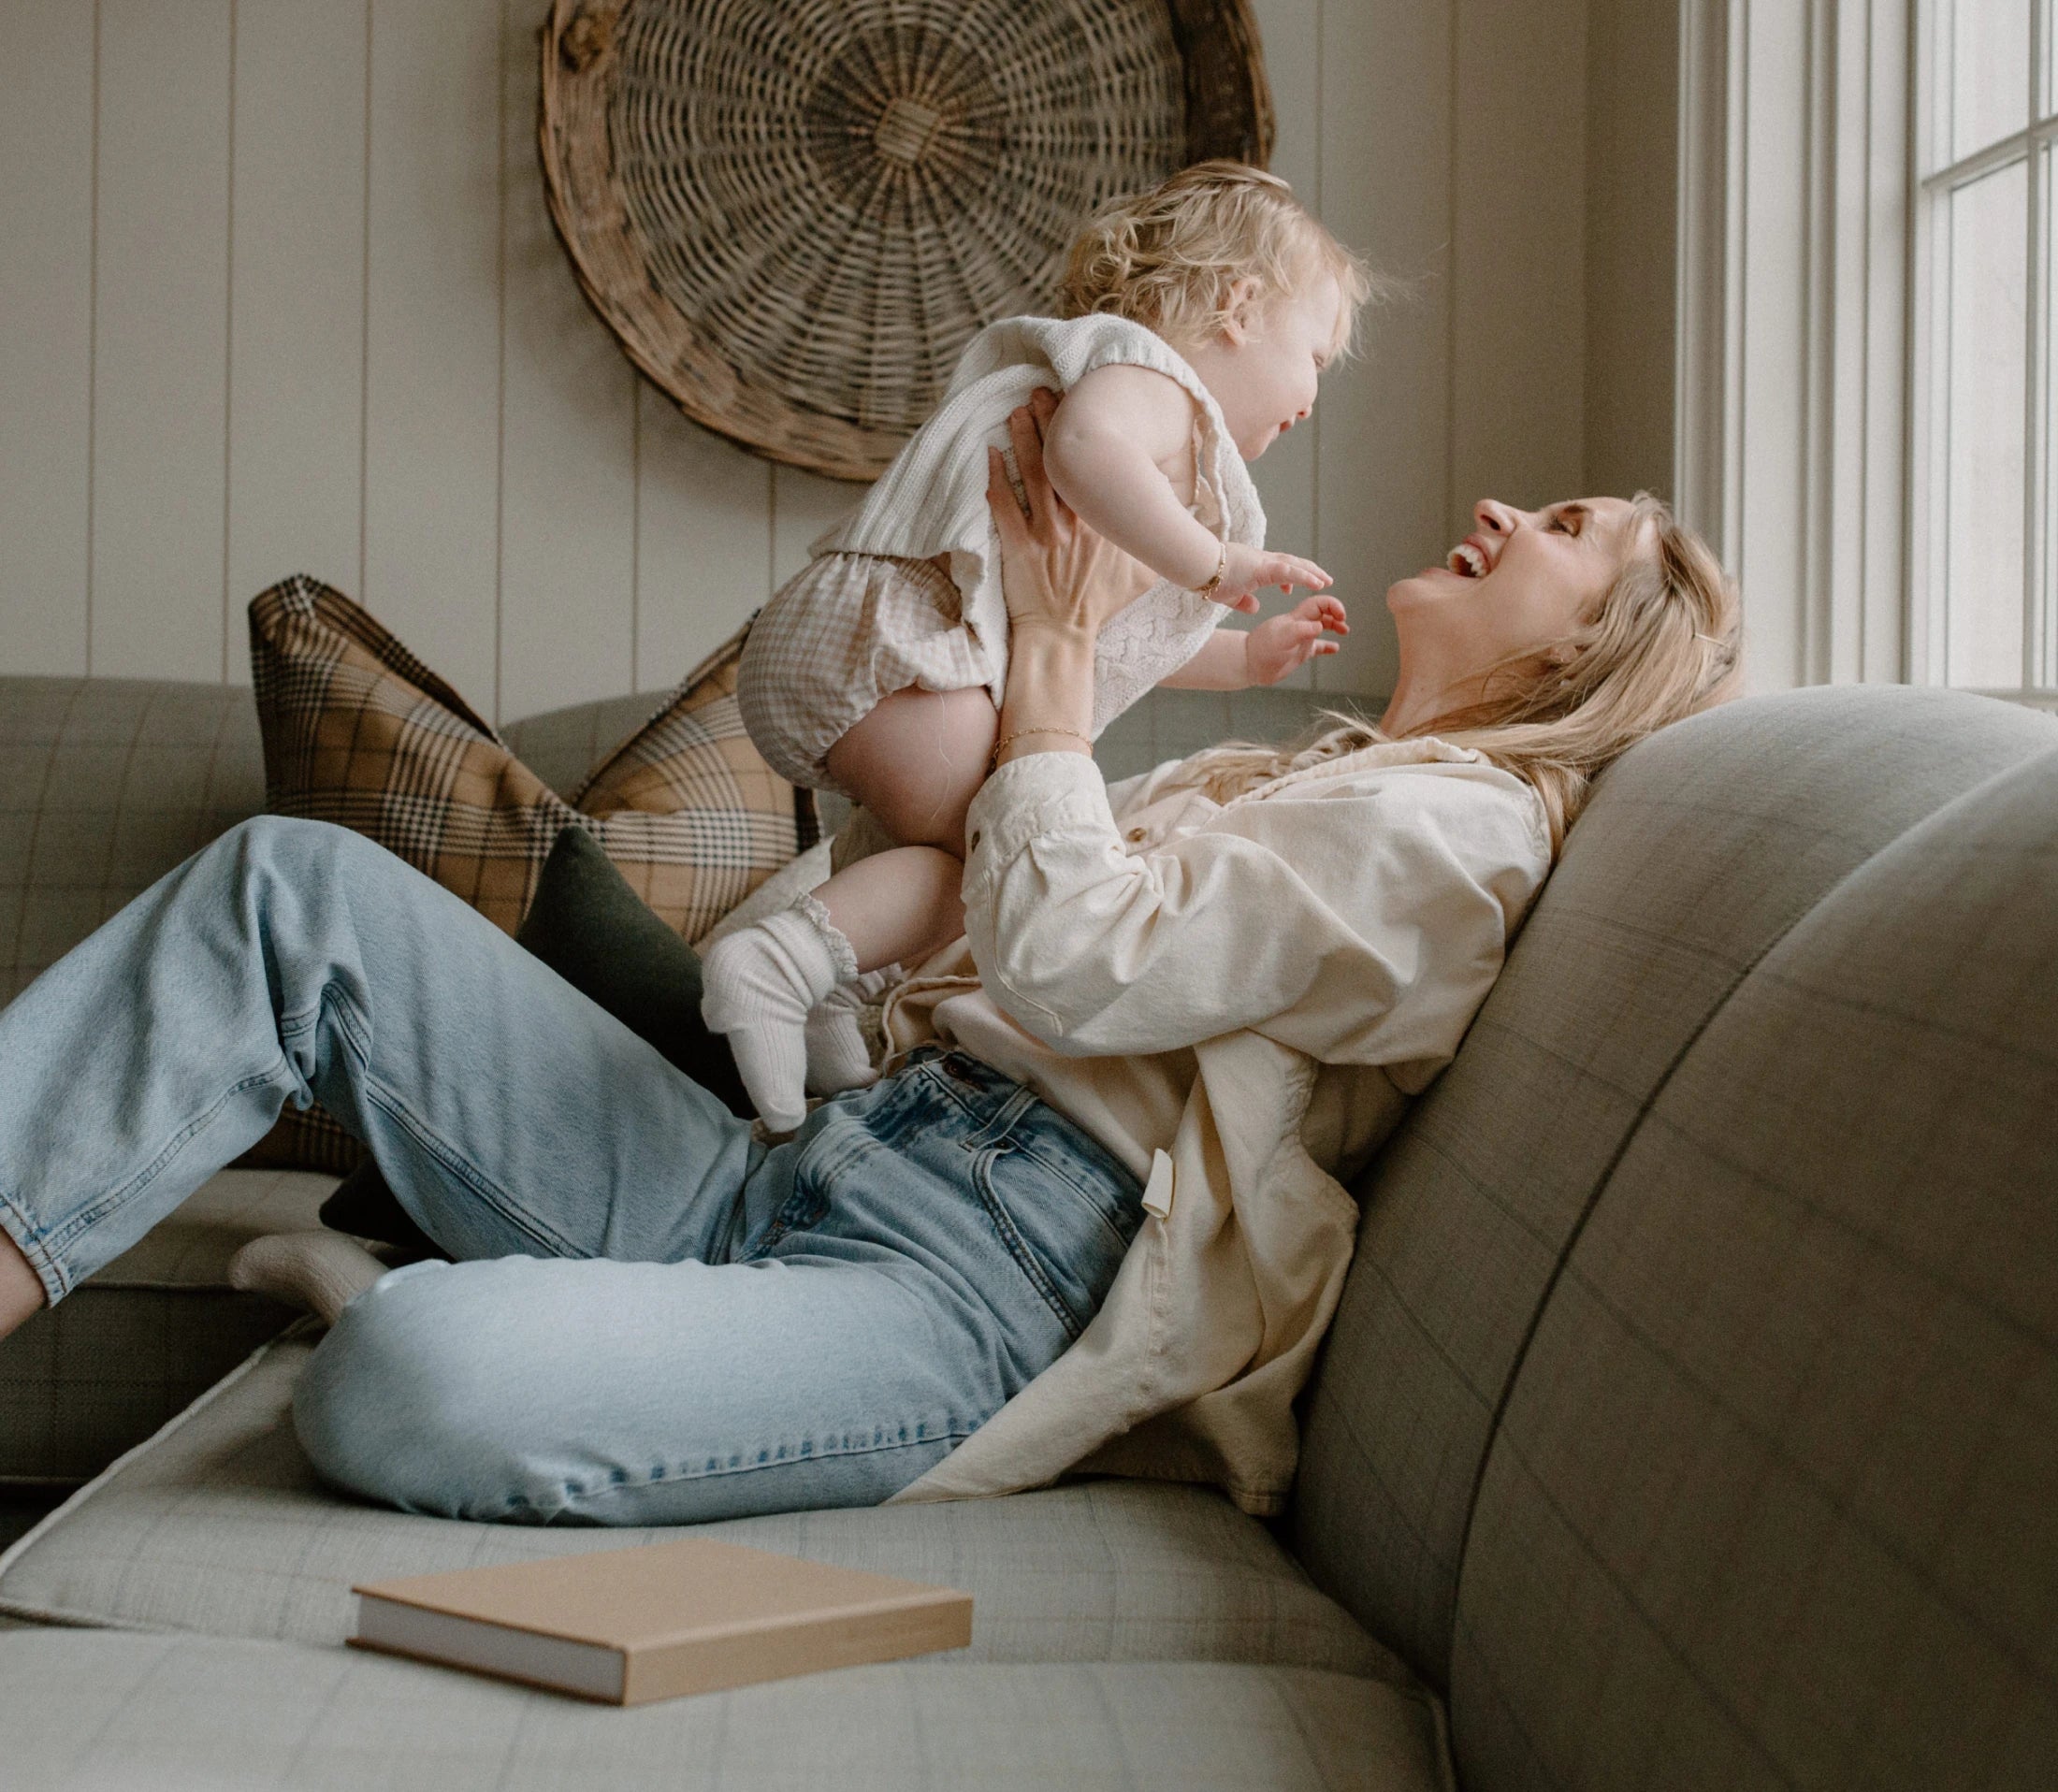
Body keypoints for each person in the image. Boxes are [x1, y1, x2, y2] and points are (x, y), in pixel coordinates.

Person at [0, 397, 1739, 1527]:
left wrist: (1058, 639)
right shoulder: (1279, 772)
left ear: (1598, 642)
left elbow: (1066, 964)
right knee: (289, 889)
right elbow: (972, 907)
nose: (1514, 507)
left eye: (1575, 527)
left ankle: (448, 1304)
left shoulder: (1462, 836)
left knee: (403, 1380)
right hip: (805, 1164)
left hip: (961, 1287)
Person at [708, 163, 1370, 1132]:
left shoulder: (1136, 446)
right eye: (1317, 353)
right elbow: (1083, 450)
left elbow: (1096, 627)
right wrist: (1214, 558)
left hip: (880, 652)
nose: (1314, 393)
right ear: (1238, 307)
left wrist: (1246, 657)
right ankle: (781, 965)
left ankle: (824, 1000)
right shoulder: (1147, 379)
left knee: (965, 872)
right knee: (999, 859)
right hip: (897, 644)